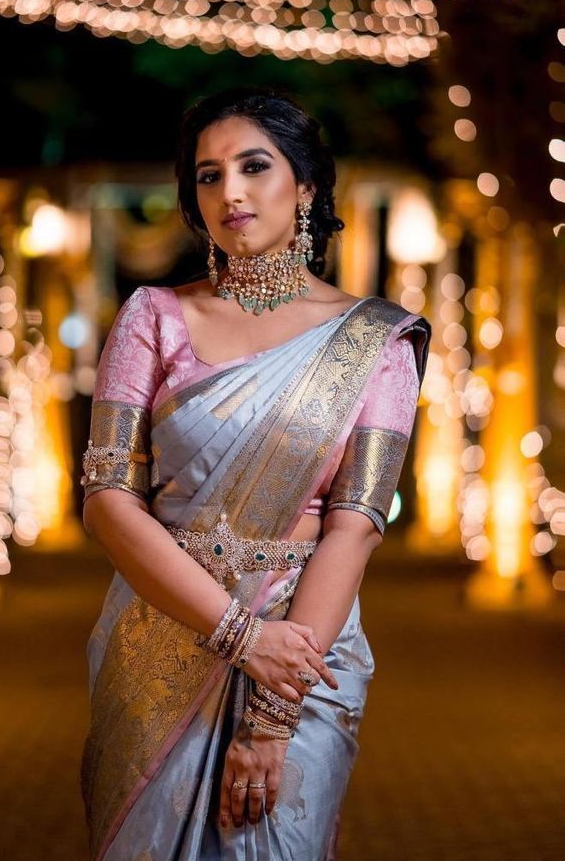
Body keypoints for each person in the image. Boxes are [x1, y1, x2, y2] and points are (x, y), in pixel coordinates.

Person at [79, 85, 431, 861]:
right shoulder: (153, 318)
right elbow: (108, 499)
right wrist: (237, 634)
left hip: (306, 653)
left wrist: (272, 713)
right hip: (164, 638)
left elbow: (356, 524)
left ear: (305, 185)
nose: (230, 191)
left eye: (254, 166)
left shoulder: (376, 341)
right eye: (208, 174)